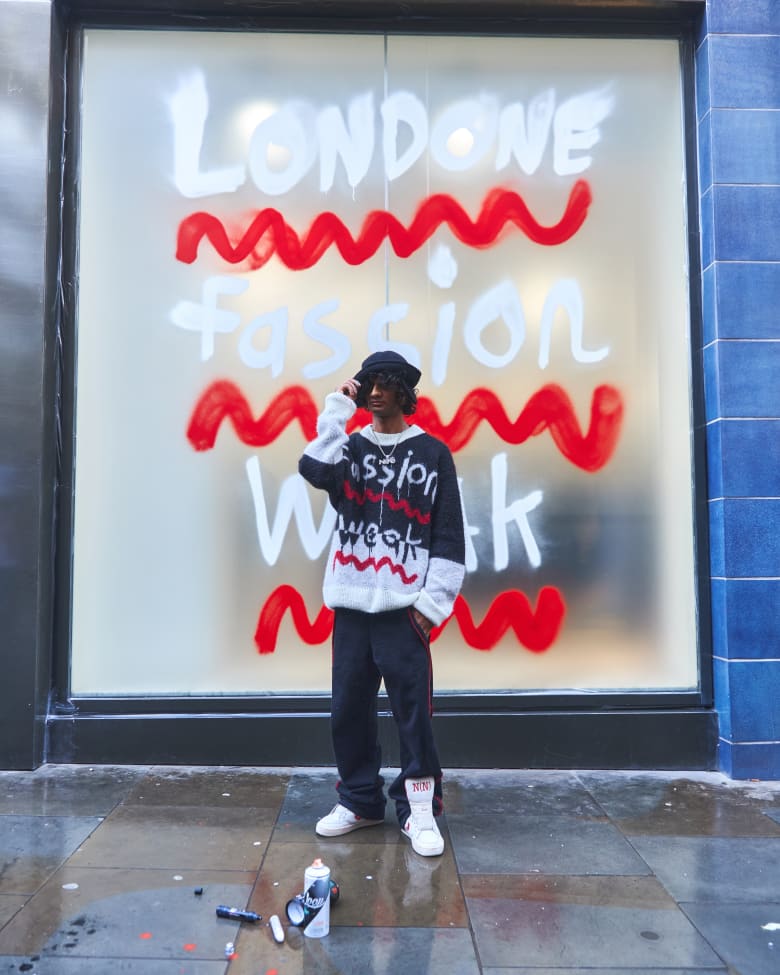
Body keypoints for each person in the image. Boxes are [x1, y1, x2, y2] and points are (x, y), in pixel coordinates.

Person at [298, 350, 466, 857]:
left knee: (413, 714)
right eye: (369, 382)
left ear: (403, 393)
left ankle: (418, 808)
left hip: (404, 611)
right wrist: (336, 405)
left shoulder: (433, 454)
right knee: (347, 708)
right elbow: (312, 465)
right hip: (351, 607)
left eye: (386, 384)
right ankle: (359, 801)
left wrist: (429, 608)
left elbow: (448, 538)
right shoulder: (348, 449)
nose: (375, 392)